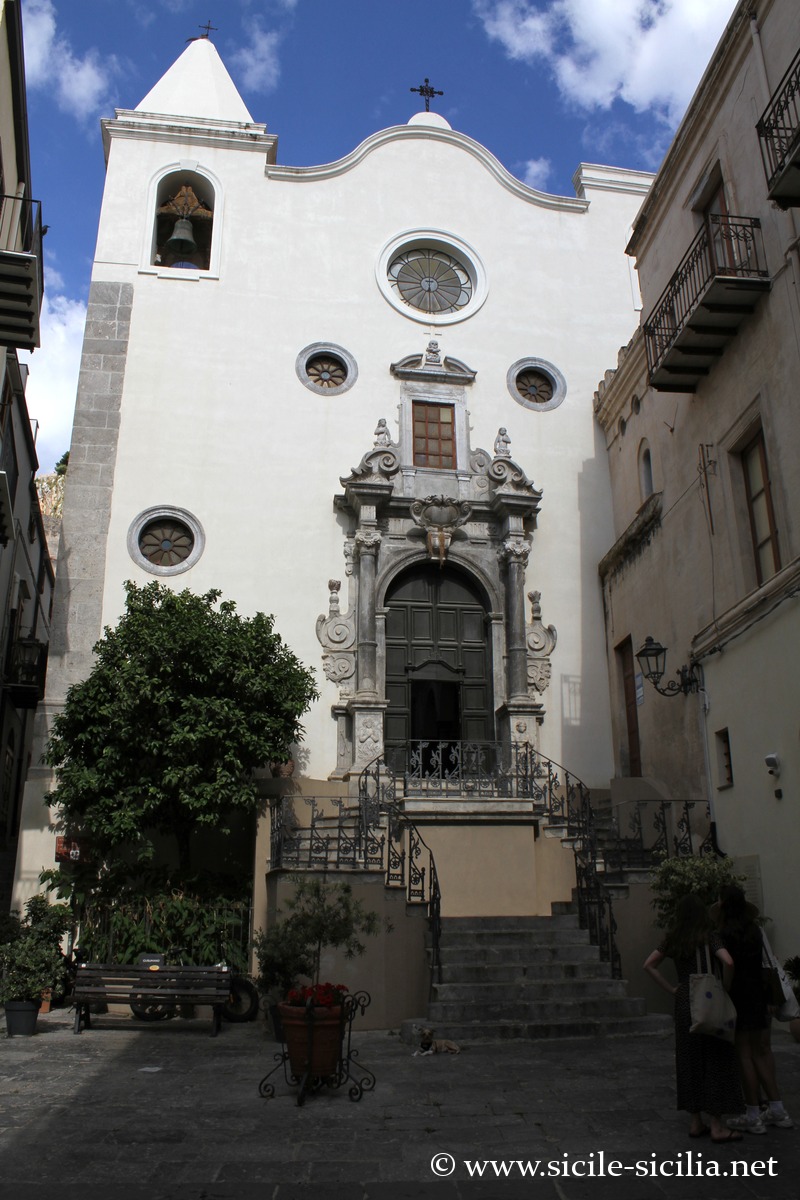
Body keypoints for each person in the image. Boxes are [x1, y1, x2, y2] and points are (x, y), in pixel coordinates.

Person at [644, 893, 744, 1142]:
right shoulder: (710, 936)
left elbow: (649, 965)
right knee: (716, 1058)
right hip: (708, 999)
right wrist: (724, 987)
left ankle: (695, 1121)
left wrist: (672, 989)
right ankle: (717, 1125)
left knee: (689, 1060)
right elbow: (728, 962)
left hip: (685, 1001)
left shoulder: (673, 938)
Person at [714, 885, 794, 1134]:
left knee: (744, 1053)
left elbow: (726, 966)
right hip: (760, 995)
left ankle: (752, 1112)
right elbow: (767, 963)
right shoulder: (755, 931)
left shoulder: (722, 934)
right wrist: (770, 997)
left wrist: (726, 989)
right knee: (762, 1051)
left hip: (738, 995)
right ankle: (777, 1108)